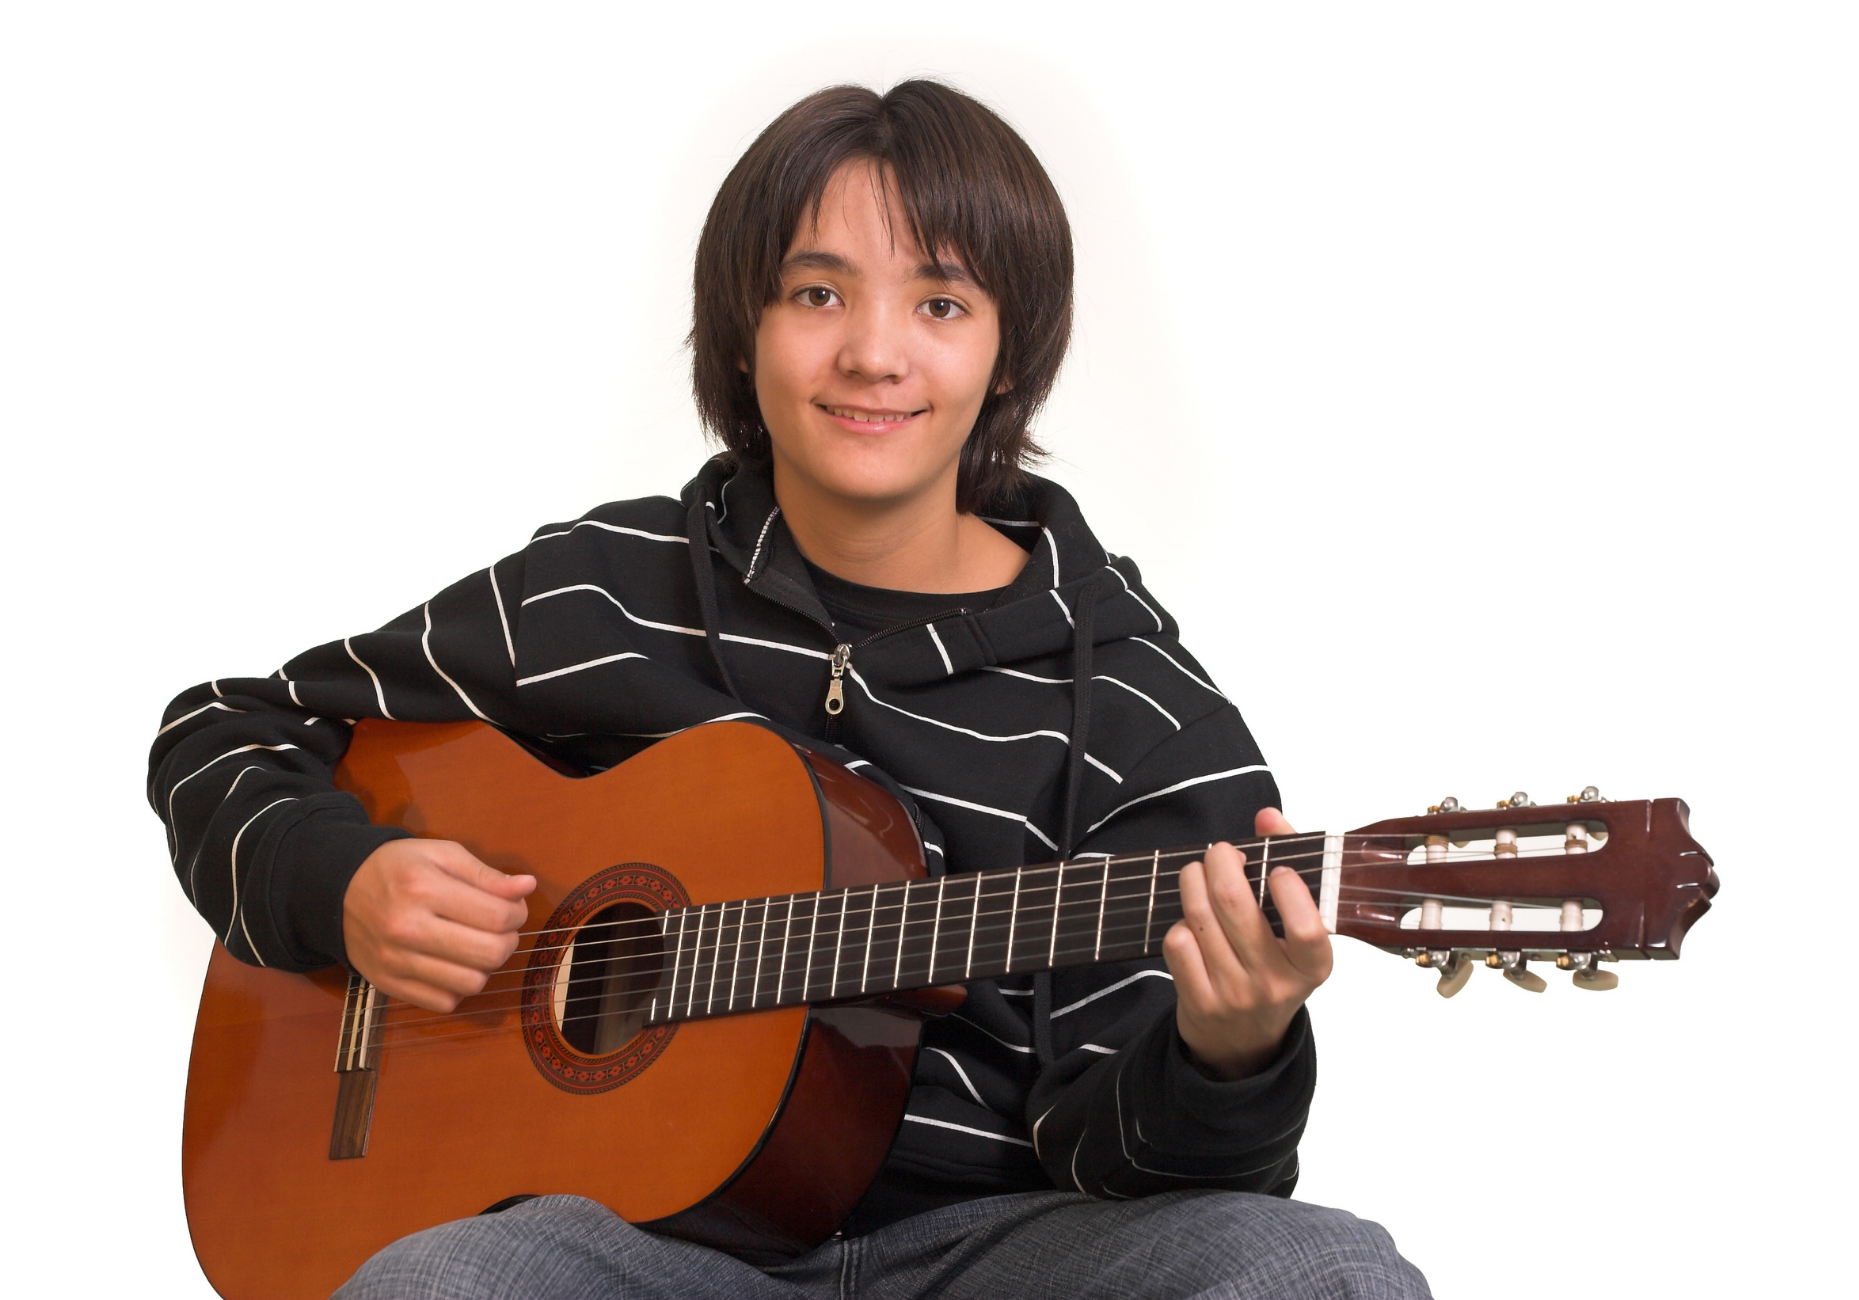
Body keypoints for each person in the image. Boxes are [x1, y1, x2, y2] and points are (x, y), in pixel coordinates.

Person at [150, 80, 1430, 1299]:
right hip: (638, 1252)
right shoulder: (602, 591)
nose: (874, 353)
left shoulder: (1139, 706)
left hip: (994, 1250)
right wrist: (347, 883)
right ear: (742, 328)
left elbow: (1151, 1178)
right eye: (818, 292)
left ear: (1009, 349)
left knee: (1328, 1273)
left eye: (941, 304)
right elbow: (228, 729)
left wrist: (1232, 1050)